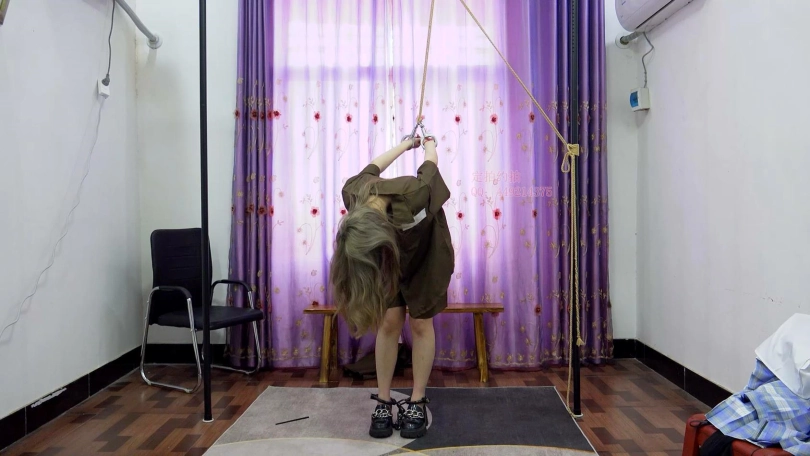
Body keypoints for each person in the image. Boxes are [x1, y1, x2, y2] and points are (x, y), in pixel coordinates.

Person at [329, 131, 454, 439]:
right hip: (384, 259)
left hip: (426, 253)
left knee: (421, 322)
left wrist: (428, 144)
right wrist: (406, 144)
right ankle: (384, 400)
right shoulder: (354, 192)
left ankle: (417, 400)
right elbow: (375, 166)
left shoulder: (415, 193)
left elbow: (430, 166)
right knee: (389, 321)